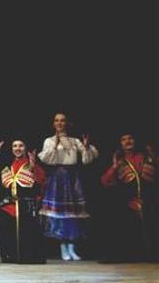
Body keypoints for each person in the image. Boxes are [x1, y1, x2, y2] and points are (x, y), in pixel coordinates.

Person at [38, 112, 98, 261]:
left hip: (72, 178)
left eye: (62, 120)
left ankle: (72, 247)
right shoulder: (49, 140)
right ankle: (63, 247)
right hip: (57, 178)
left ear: (67, 123)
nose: (59, 123)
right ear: (53, 124)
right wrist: (56, 144)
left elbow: (87, 158)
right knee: (60, 213)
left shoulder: (74, 140)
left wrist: (86, 147)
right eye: (57, 120)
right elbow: (46, 159)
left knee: (73, 214)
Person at [99, 132, 156, 262]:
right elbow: (105, 181)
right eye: (124, 139)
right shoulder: (120, 162)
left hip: (151, 201)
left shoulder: (148, 157)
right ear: (120, 144)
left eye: (130, 138)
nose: (127, 141)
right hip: (129, 203)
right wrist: (114, 167)